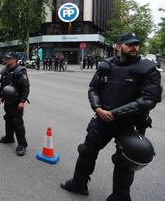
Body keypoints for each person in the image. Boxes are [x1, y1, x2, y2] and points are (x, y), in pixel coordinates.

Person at [61, 33, 162, 200]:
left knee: (125, 163)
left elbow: (149, 99)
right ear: (118, 46)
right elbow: (94, 88)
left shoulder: (147, 68)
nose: (134, 47)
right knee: (86, 151)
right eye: (129, 44)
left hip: (131, 123)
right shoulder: (106, 65)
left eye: (136, 44)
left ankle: (120, 197)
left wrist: (114, 113)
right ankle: (79, 184)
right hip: (102, 119)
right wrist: (97, 108)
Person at [0, 52, 30, 156]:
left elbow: (25, 87)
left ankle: (22, 144)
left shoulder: (20, 71)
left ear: (15, 59)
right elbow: (3, 84)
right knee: (8, 118)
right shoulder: (5, 70)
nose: (6, 60)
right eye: (6, 58)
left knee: (17, 121)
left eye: (9, 58)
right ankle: (9, 137)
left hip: (17, 101)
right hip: (8, 100)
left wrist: (22, 101)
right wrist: (0, 96)